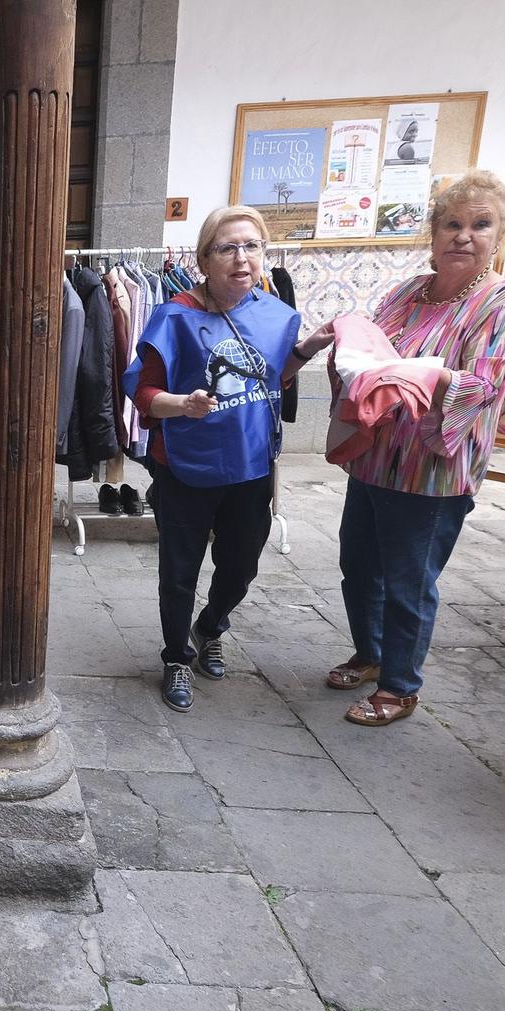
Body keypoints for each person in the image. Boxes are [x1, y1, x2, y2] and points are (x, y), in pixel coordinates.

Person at [324, 170, 505, 725]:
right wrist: (345, 342)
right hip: (375, 456)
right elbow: (372, 351)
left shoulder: (501, 301)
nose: (464, 236)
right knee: (359, 567)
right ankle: (370, 654)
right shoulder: (407, 292)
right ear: (433, 234)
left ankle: (400, 686)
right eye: (452, 224)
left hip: (431, 470)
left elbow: (484, 385)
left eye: (480, 225)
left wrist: (421, 373)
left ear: (501, 234)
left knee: (410, 582)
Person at [133, 205, 333, 711]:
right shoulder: (174, 315)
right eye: (227, 248)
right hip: (185, 464)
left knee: (241, 564)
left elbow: (273, 378)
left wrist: (307, 348)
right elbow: (140, 390)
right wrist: (184, 405)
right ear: (204, 259)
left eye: (252, 246)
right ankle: (177, 656)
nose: (241, 258)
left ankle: (211, 624)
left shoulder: (275, 314)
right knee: (180, 569)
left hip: (250, 464)